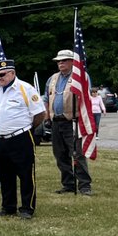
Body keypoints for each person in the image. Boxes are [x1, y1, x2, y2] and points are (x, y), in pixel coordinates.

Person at [0, 58, 46, 219]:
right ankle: (8, 207)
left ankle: (27, 208)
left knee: (25, 173)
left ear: (12, 73)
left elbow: (40, 113)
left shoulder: (25, 88)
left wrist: (28, 127)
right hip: (0, 138)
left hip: (20, 136)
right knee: (5, 174)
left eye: (2, 75)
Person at [44, 49, 93, 196]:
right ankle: (68, 184)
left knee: (78, 154)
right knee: (60, 154)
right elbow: (46, 99)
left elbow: (86, 98)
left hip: (73, 121)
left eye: (64, 60)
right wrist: (47, 117)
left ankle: (84, 185)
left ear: (73, 62)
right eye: (59, 61)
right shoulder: (52, 79)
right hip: (56, 122)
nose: (61, 63)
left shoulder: (80, 77)